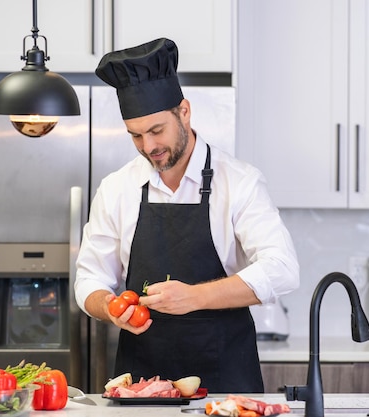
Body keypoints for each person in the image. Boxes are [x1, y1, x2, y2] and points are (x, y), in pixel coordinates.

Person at [74, 38, 299, 393]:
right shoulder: (117, 188)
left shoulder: (239, 182)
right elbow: (89, 280)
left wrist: (194, 297)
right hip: (141, 387)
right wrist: (110, 307)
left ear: (184, 112)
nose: (148, 147)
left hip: (226, 384)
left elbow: (283, 270)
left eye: (156, 130)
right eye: (135, 135)